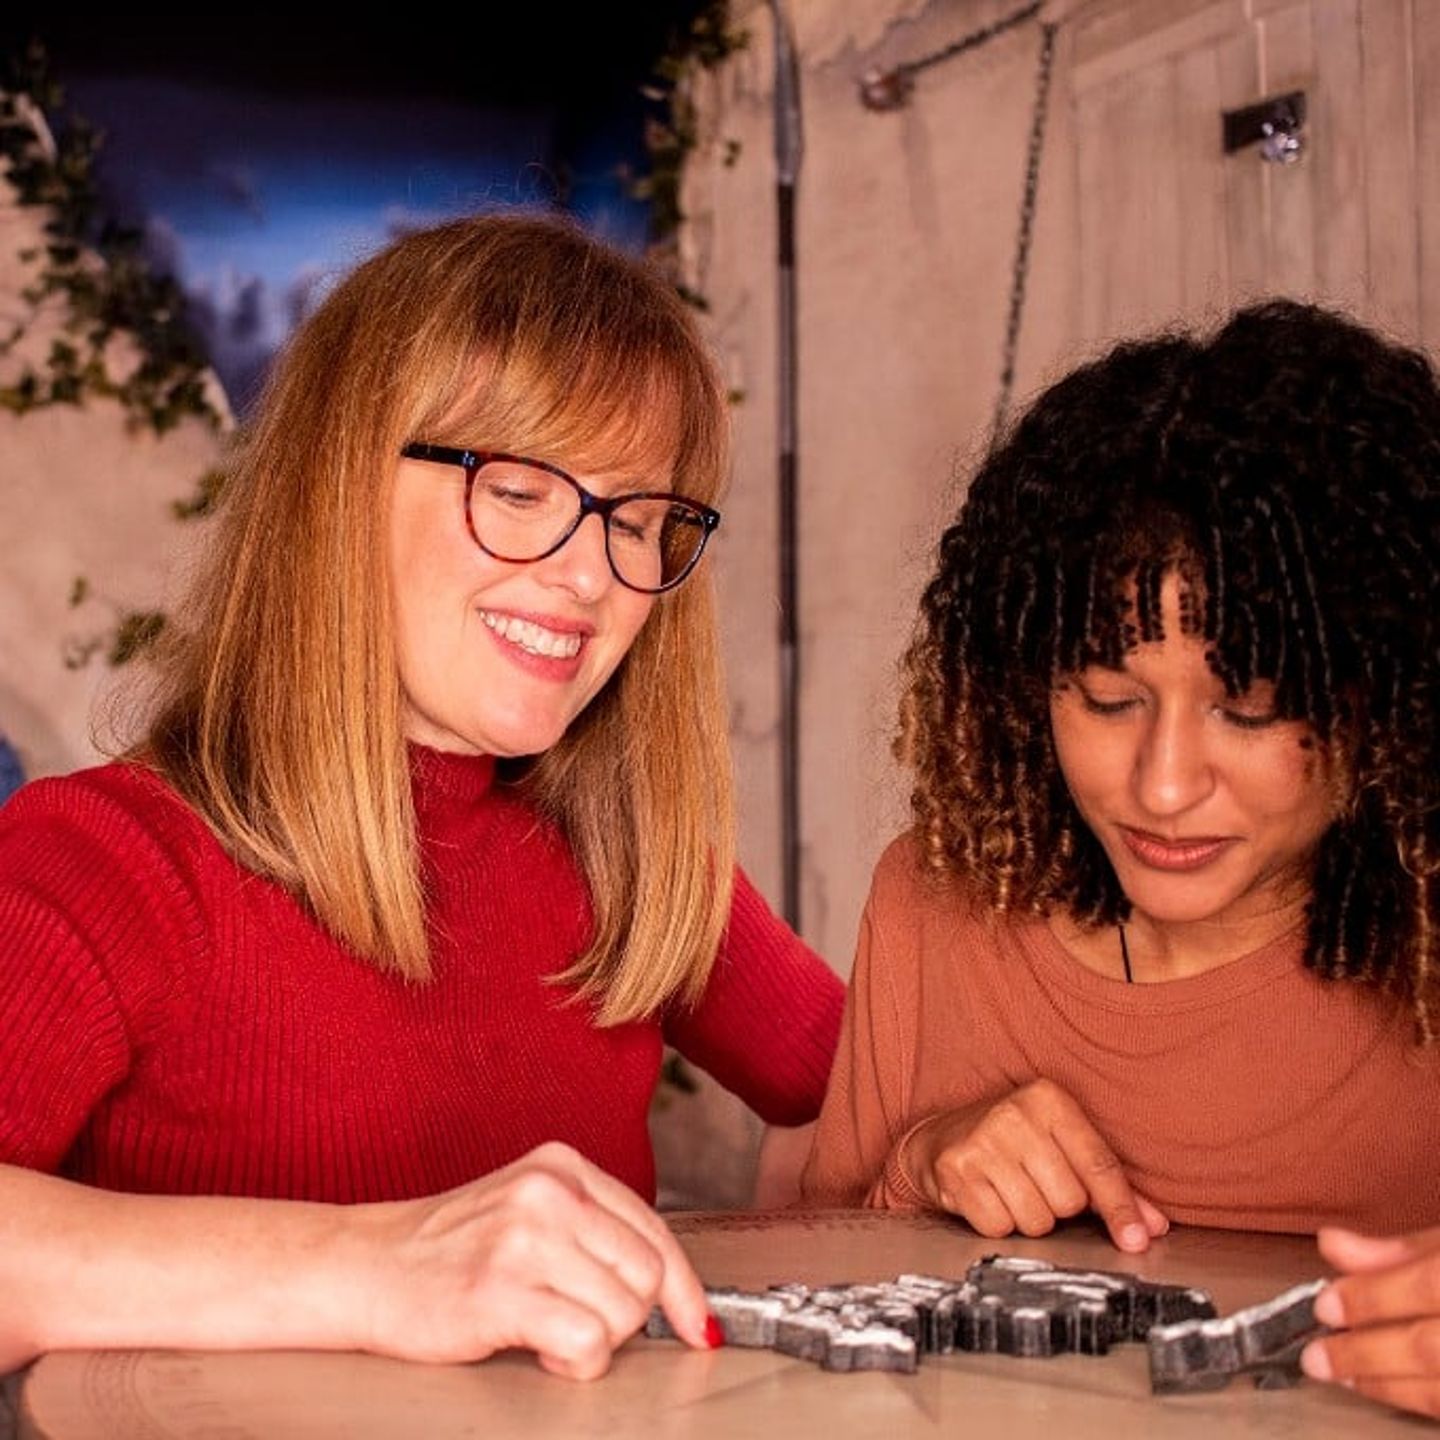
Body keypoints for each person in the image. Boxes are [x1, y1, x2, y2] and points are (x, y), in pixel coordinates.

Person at [0, 213, 843, 1381]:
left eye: (639, 520)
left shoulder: (632, 860)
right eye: (518, 490)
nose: (593, 576)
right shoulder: (107, 857)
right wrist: (379, 1265)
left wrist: (967, 1132)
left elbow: (862, 1085)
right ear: (338, 486)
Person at [800, 300, 1440, 1419]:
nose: (1163, 785)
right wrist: (922, 1160)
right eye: (1109, 699)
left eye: (1250, 709)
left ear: (1384, 701)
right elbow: (807, 1302)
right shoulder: (936, 902)